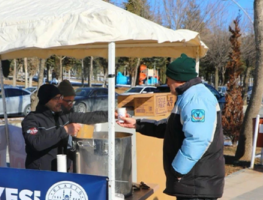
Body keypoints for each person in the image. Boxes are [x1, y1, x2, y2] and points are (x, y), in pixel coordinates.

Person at [117, 53, 225, 200]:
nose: (166, 82)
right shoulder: (188, 95)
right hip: (193, 183)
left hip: (195, 184)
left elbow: (198, 139)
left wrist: (178, 170)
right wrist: (137, 124)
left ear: (178, 78)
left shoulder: (196, 99)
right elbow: (170, 128)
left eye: (168, 78)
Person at [21, 84, 109, 171]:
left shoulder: (63, 116)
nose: (60, 101)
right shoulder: (31, 119)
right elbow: (36, 143)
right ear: (45, 101)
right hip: (40, 174)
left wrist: (111, 114)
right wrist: (65, 130)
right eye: (56, 98)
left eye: (60, 97)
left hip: (62, 171)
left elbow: (87, 117)